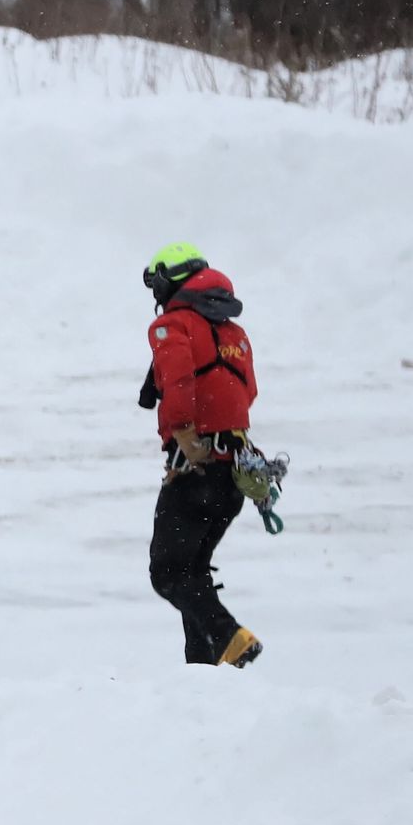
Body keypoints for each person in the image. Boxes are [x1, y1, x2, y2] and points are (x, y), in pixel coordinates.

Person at [139, 242, 264, 667]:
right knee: (192, 570)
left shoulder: (172, 326)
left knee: (167, 573)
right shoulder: (234, 334)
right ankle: (203, 669)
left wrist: (184, 434)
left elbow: (178, 382)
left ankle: (231, 638)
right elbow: (248, 392)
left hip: (196, 469)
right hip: (234, 473)